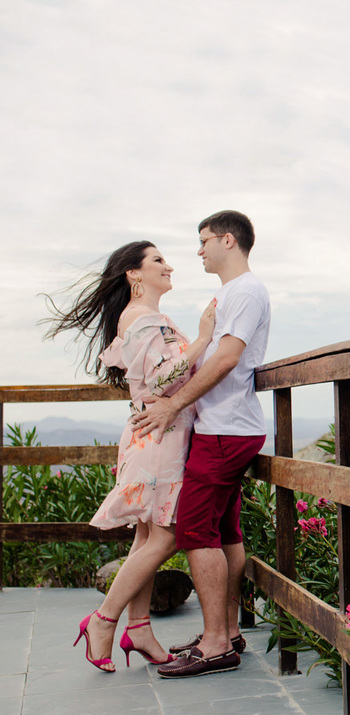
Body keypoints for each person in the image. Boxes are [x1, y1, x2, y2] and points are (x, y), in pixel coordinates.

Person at [44, 240, 217, 672]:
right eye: (158, 260)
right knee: (166, 537)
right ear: (133, 275)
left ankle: (139, 627)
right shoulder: (142, 319)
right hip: (159, 440)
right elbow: (161, 380)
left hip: (155, 436)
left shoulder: (145, 318)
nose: (169, 266)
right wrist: (202, 339)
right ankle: (103, 621)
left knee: (146, 537)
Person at [133, 210, 271, 679]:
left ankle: (215, 644)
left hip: (226, 431)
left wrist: (173, 407)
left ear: (228, 241)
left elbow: (230, 358)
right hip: (222, 428)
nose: (198, 250)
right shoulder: (230, 294)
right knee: (224, 531)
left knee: (193, 531)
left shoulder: (247, 292)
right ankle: (227, 632)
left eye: (204, 240)